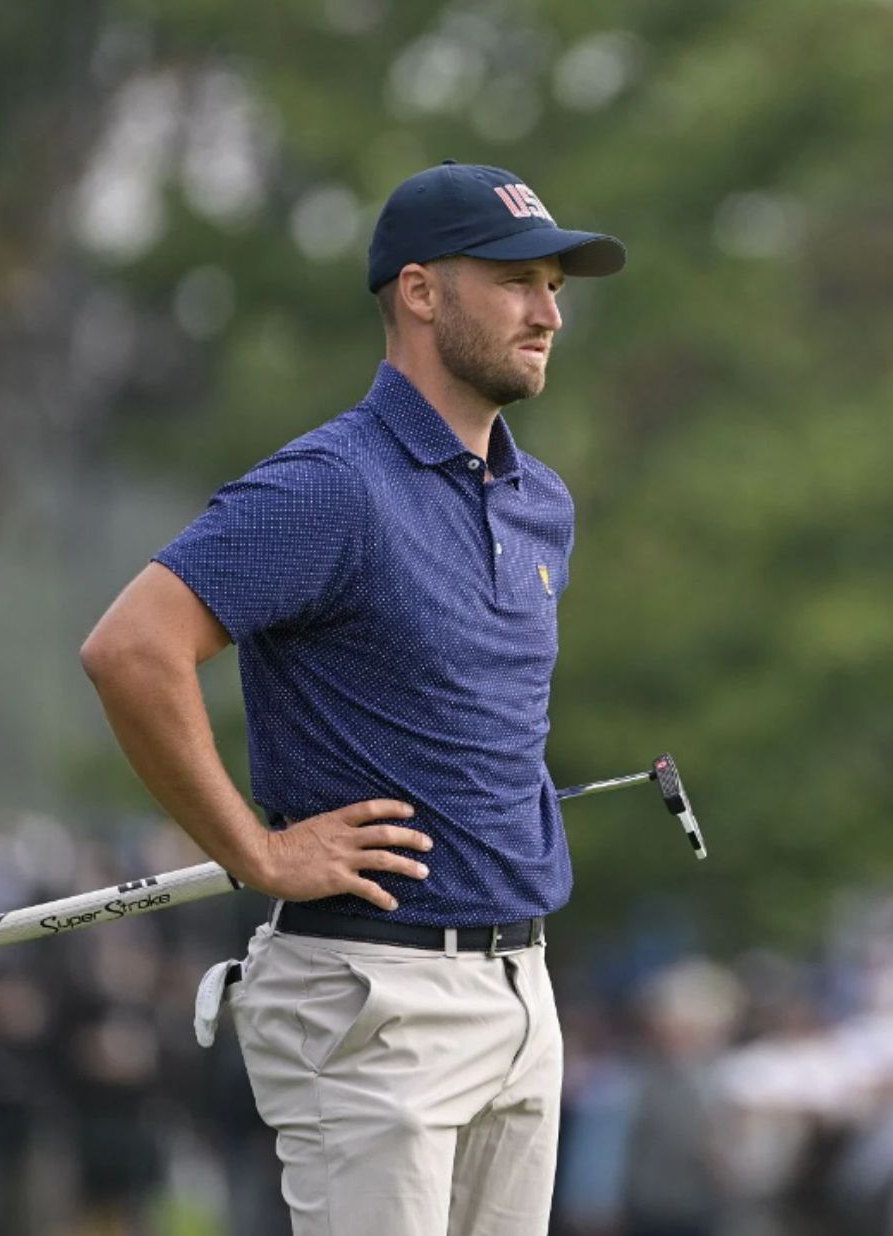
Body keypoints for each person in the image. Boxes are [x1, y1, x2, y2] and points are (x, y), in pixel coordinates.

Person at [79, 161, 627, 1235]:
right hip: (376, 1000)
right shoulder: (331, 484)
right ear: (421, 292)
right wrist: (257, 850)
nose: (549, 311)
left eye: (555, 284)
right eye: (518, 280)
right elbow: (130, 648)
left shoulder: (540, 501)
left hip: (524, 990)